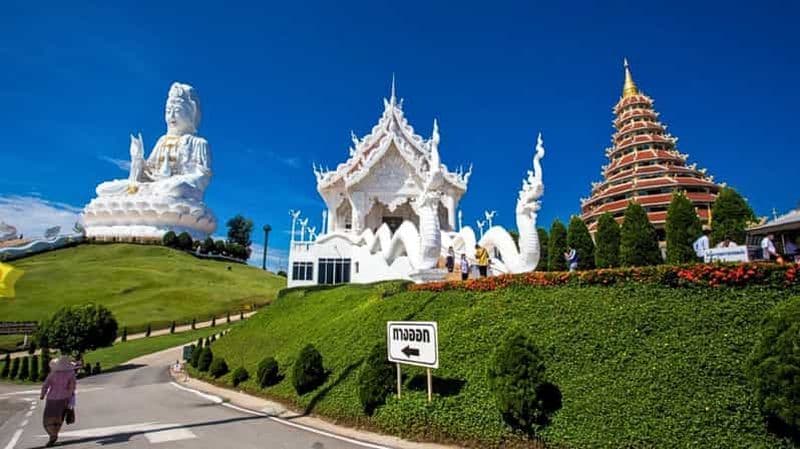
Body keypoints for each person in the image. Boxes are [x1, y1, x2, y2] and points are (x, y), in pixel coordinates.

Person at [40, 356, 77, 447]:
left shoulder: (52, 374)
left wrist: (42, 394)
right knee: (59, 418)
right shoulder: (71, 373)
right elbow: (72, 386)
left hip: (51, 399)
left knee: (48, 417)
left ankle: (52, 434)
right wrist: (70, 396)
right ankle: (55, 433)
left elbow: (46, 385)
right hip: (64, 399)